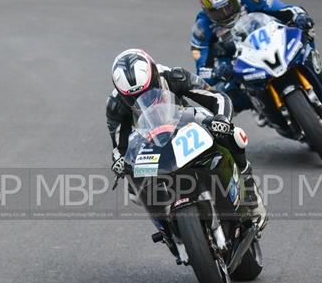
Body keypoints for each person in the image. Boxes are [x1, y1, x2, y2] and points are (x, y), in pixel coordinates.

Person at [107, 48, 267, 239]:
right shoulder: (116, 105)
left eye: (147, 91)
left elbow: (216, 96)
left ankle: (249, 190)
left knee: (234, 135)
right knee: (133, 186)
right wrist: (119, 160)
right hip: (149, 141)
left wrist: (222, 119)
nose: (140, 99)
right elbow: (120, 146)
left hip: (185, 125)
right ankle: (166, 228)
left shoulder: (175, 76)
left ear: (155, 77)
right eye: (132, 97)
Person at [190, 0, 322, 124]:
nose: (225, 14)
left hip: (268, 38)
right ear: (207, 11)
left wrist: (299, 16)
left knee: (305, 32)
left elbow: (283, 8)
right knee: (224, 94)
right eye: (218, 11)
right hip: (235, 60)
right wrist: (218, 70)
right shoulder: (202, 28)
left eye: (228, 6)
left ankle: (318, 69)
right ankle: (256, 106)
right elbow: (202, 67)